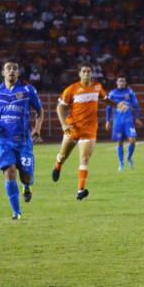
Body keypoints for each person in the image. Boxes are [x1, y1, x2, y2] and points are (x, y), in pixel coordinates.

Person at [0, 62, 43, 219]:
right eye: (8, 69)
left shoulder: (28, 90)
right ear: (3, 72)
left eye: (15, 69)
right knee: (9, 172)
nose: (12, 71)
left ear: (18, 73)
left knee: (26, 176)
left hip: (23, 139)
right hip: (3, 139)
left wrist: (37, 129)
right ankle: (16, 212)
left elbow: (40, 111)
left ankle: (26, 186)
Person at [53, 64, 113, 200]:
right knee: (63, 156)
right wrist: (63, 125)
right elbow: (59, 108)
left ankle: (80, 190)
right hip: (73, 127)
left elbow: (105, 99)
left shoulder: (97, 87)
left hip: (90, 129)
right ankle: (58, 165)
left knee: (84, 159)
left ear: (91, 74)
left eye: (89, 71)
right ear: (79, 74)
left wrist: (117, 105)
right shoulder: (71, 89)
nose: (86, 73)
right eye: (84, 71)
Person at [105, 75, 141, 171]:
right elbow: (108, 108)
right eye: (119, 81)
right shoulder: (112, 93)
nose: (121, 82)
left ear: (125, 83)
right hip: (118, 122)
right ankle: (121, 163)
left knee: (132, 140)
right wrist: (108, 121)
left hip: (129, 122)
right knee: (120, 142)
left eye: (123, 81)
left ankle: (129, 158)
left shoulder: (130, 92)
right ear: (117, 82)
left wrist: (137, 118)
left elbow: (136, 105)